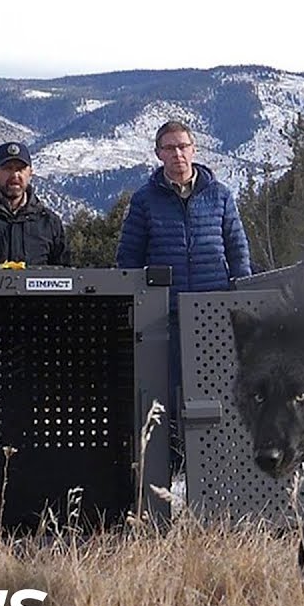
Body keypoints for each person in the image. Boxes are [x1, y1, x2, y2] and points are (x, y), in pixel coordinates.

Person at [116, 120, 252, 472]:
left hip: (215, 313)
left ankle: (221, 467)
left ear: (194, 149)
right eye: (169, 148)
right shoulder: (145, 201)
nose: (177, 154)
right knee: (171, 394)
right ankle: (173, 470)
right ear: (158, 154)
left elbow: (238, 252)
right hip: (168, 315)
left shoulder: (220, 195)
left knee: (221, 393)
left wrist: (241, 301)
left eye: (183, 146)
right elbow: (129, 259)